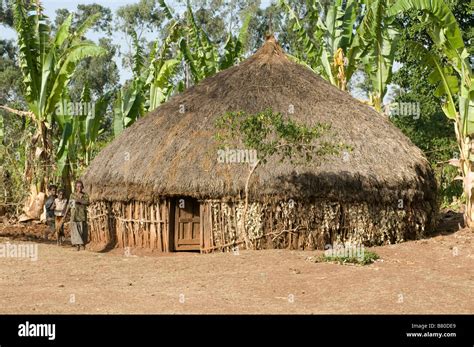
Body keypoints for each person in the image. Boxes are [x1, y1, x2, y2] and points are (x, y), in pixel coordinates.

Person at [69, 181, 89, 251]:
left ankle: (82, 244)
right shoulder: (72, 195)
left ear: (83, 187)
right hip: (74, 214)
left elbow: (87, 202)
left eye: (80, 186)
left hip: (82, 215)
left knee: (82, 230)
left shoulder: (85, 195)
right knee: (75, 230)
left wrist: (79, 200)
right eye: (78, 186)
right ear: (75, 187)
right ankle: (77, 244)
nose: (79, 188)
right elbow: (71, 205)